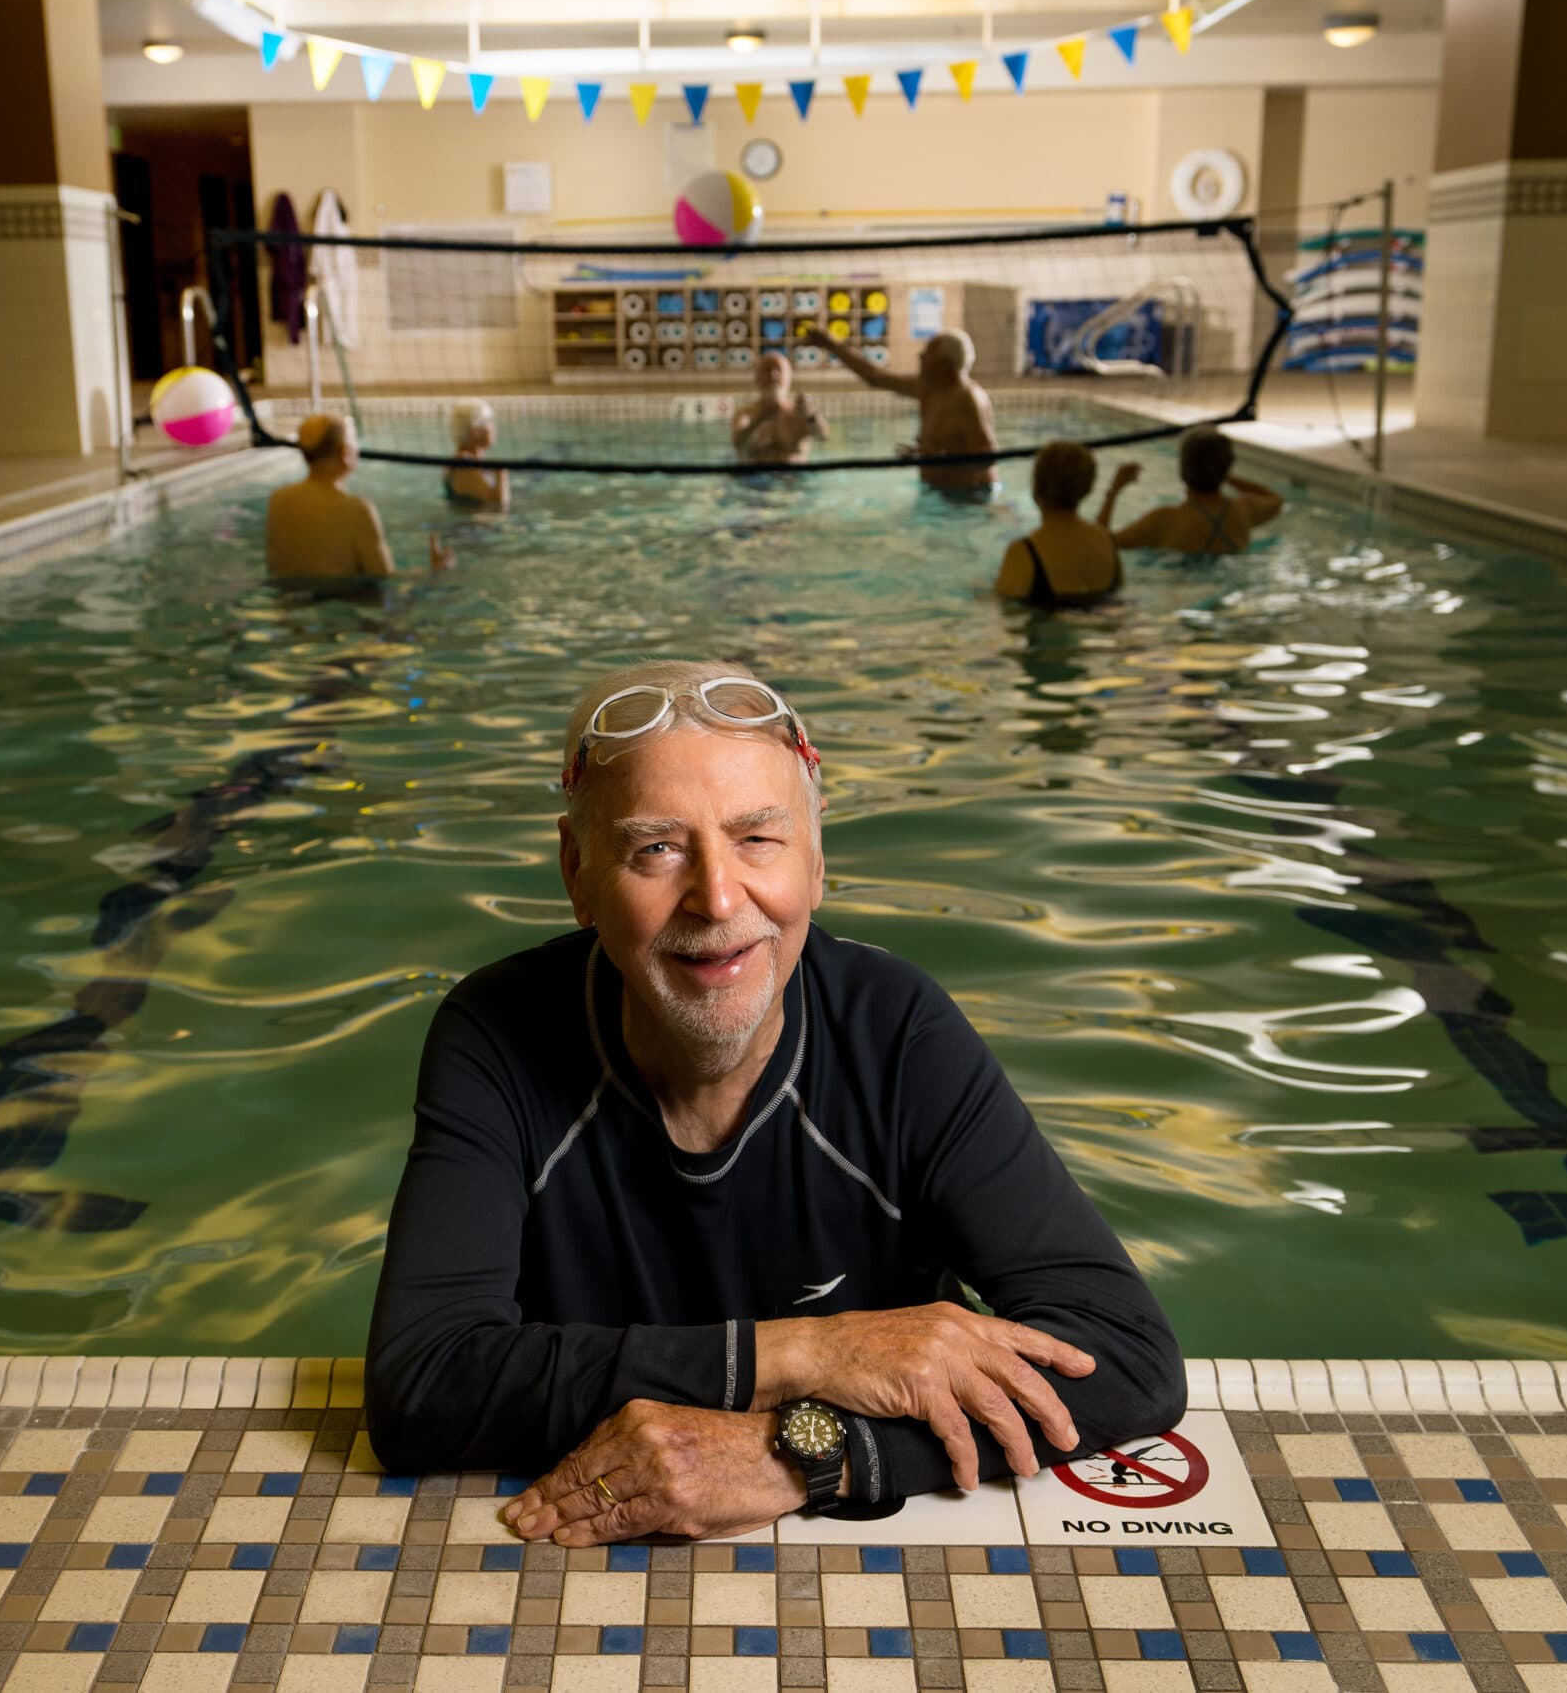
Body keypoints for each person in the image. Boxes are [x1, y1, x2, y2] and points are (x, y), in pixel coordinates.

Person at [365, 659, 1184, 1544]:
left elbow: (1128, 1358)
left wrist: (798, 1454)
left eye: (758, 838)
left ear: (818, 860)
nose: (717, 897)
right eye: (655, 847)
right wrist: (809, 1352)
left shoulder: (896, 1033)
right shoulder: (498, 1032)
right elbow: (421, 1383)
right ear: (577, 871)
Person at [799, 324, 997, 497]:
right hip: (939, 493)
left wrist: (939, 455)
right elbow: (875, 377)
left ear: (944, 365)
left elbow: (987, 456)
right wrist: (832, 345)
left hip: (971, 497)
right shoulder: (929, 389)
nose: (920, 356)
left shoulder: (967, 399)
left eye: (927, 353)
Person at [264, 413, 453, 582]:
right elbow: (384, 579)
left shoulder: (278, 500)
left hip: (289, 610)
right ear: (345, 453)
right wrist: (434, 572)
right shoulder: (358, 509)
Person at [1100, 425, 1283, 555]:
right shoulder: (1244, 509)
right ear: (1227, 466)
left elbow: (1102, 544)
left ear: (1182, 471)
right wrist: (1224, 474)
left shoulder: (1163, 521)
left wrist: (1114, 491)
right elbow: (1275, 499)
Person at [996, 441, 1121, 609]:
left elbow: (1008, 617)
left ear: (1035, 488)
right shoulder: (1106, 541)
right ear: (1088, 489)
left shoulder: (1024, 552)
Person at [730, 352, 828, 465]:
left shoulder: (800, 414)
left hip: (795, 478)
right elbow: (738, 444)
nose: (773, 375)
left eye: (779, 370)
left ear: (789, 377)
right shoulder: (746, 414)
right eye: (767, 370)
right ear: (757, 377)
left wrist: (810, 415)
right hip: (756, 478)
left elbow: (822, 436)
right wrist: (759, 419)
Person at [444, 400, 509, 510]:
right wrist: (501, 473)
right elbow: (498, 507)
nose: (494, 427)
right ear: (475, 430)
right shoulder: (464, 463)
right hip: (472, 526)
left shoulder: (471, 460)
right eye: (488, 421)